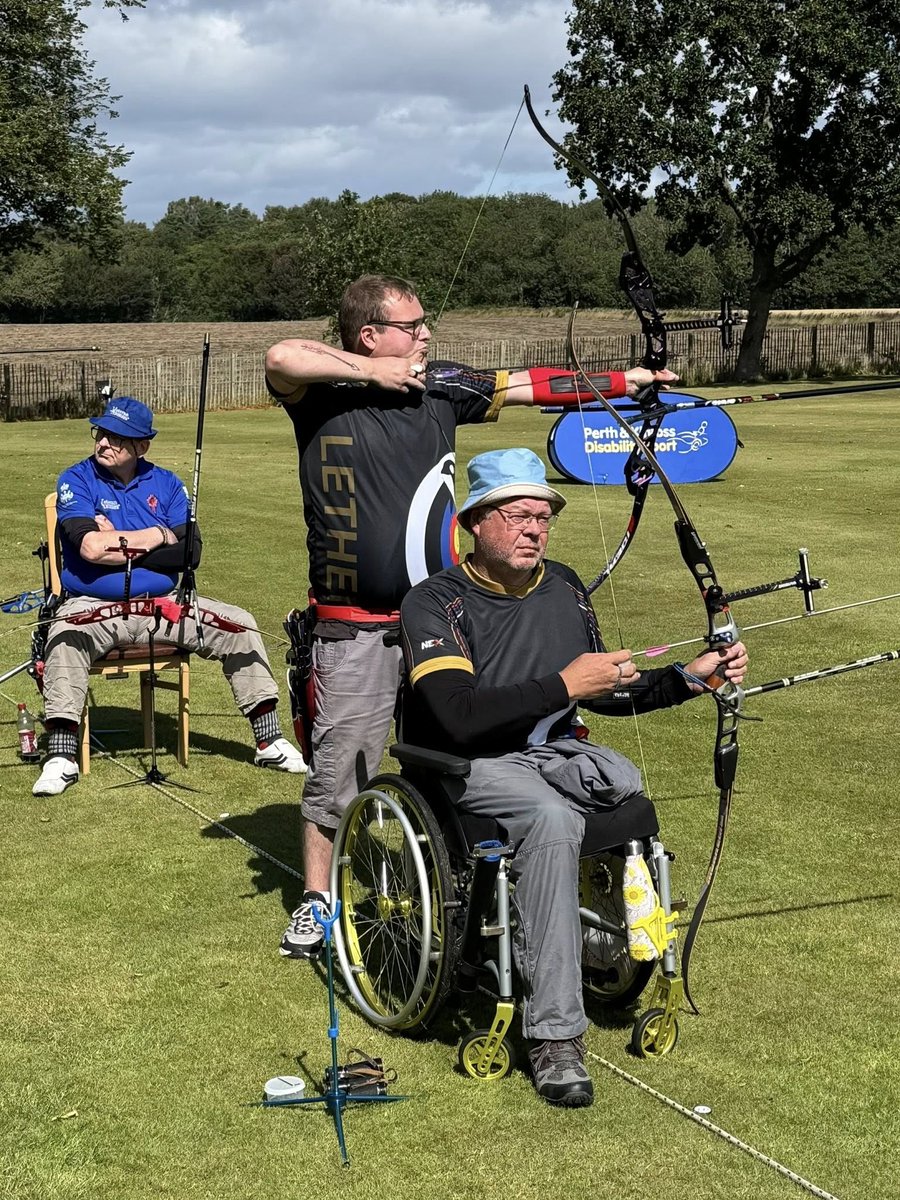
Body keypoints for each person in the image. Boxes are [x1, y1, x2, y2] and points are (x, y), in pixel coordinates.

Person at [264, 273, 678, 959]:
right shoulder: (321, 395)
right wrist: (373, 372)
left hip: (449, 617)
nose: (426, 334)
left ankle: (483, 875)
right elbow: (282, 356)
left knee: (475, 746)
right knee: (343, 768)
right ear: (370, 334)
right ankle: (318, 899)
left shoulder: (442, 387)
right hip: (355, 623)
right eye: (413, 324)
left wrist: (622, 381)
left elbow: (524, 386)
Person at [399, 447, 749, 1106]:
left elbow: (606, 691)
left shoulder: (562, 586)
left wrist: (689, 679)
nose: (534, 528)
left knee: (624, 785)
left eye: (542, 516)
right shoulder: (434, 602)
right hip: (467, 763)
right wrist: (566, 682)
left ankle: (598, 942)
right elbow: (458, 714)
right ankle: (555, 1035)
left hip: (554, 753)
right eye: (516, 515)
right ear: (475, 521)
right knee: (552, 820)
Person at [32, 396, 305, 797]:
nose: (104, 443)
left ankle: (269, 741)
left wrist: (121, 540)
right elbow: (89, 548)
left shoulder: (168, 484)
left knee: (239, 624)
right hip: (93, 606)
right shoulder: (76, 479)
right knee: (63, 637)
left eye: (117, 438)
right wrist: (160, 535)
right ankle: (61, 756)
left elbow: (190, 552)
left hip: (164, 605)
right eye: (101, 433)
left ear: (141, 446)